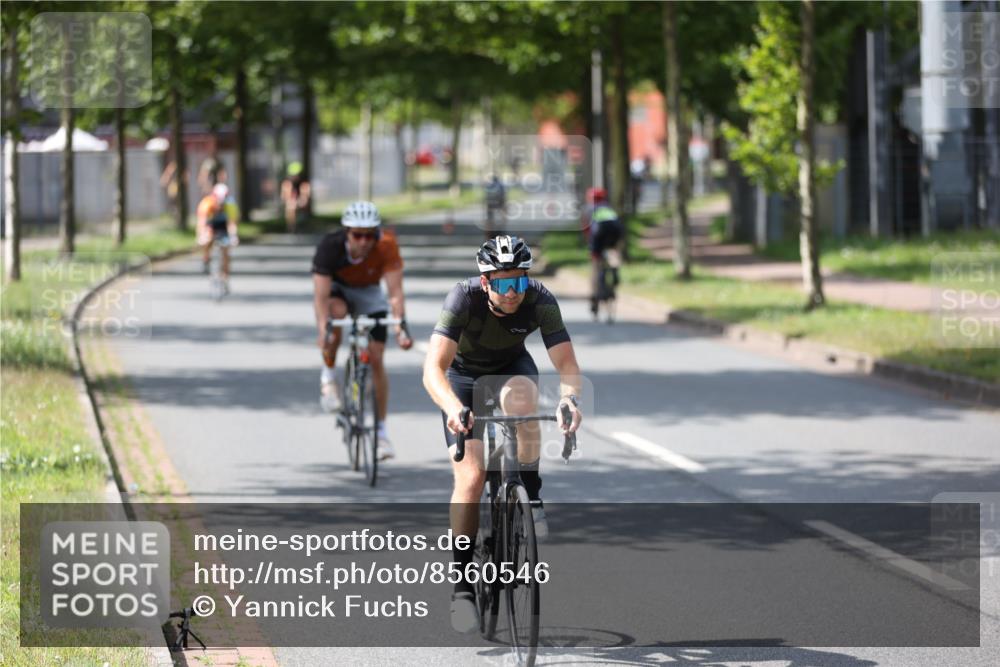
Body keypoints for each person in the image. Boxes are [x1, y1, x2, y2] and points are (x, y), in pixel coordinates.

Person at [422, 235, 583, 633]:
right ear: (486, 282)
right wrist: (453, 408)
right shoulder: (462, 299)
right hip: (461, 377)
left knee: (524, 402)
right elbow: (432, 369)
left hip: (511, 366)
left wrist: (570, 401)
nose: (513, 293)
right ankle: (462, 586)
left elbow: (566, 364)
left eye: (520, 282)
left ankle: (529, 486)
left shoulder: (540, 299)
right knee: (472, 477)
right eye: (504, 283)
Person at [311, 201, 413, 458]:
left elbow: (395, 293)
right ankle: (328, 378)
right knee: (336, 317)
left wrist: (401, 326)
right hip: (338, 291)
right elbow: (321, 296)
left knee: (377, 358)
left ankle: (381, 433)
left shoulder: (386, 245)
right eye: (358, 235)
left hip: (369, 292)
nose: (365, 241)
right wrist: (323, 329)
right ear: (347, 232)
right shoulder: (330, 247)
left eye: (370, 235)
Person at [582, 188, 624, 319]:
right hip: (615, 233)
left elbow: (587, 230)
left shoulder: (588, 208)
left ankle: (594, 296)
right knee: (614, 253)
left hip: (598, 235)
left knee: (595, 266)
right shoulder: (608, 208)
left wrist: (593, 249)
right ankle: (615, 272)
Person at [196, 183, 239, 286]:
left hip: (223, 225)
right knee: (206, 239)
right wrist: (201, 236)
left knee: (226, 251)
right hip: (211, 224)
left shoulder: (230, 205)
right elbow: (202, 222)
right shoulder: (207, 204)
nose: (220, 205)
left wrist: (233, 236)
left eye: (222, 203)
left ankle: (225, 277)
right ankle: (206, 257)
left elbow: (231, 224)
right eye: (218, 202)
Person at [281, 161, 312, 233]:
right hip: (291, 204)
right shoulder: (287, 184)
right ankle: (291, 227)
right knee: (290, 207)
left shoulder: (304, 184)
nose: (295, 177)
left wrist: (300, 202)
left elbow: (305, 197)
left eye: (296, 175)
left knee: (293, 206)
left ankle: (299, 223)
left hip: (300, 203)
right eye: (293, 175)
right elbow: (284, 197)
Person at [483, 174, 506, 240]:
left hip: (490, 205)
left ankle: (488, 236)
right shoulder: (501, 186)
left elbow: (486, 197)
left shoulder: (489, 186)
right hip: (499, 205)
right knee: (500, 221)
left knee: (489, 220)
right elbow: (503, 197)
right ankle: (500, 236)